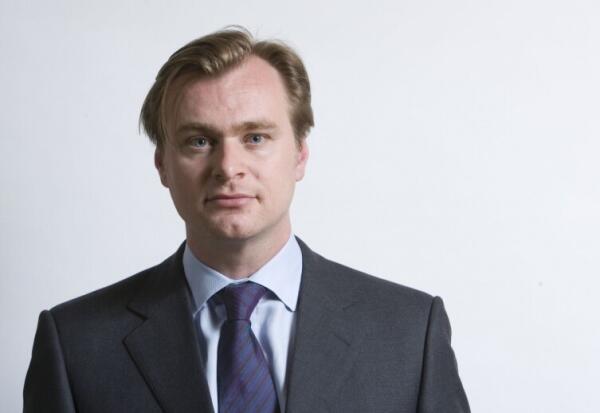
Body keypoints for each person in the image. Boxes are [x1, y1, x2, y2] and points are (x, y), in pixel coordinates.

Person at [23, 27, 470, 413]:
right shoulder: (76, 345)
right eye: (199, 141)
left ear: (299, 154)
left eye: (255, 137)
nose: (228, 167)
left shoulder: (409, 333)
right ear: (162, 165)